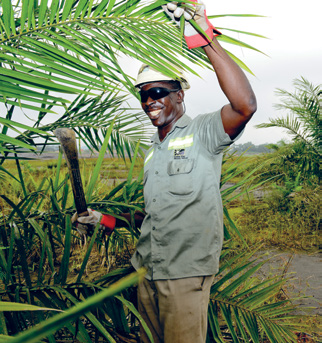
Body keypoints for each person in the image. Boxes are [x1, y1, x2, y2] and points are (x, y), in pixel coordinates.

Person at [72, 1, 256, 342]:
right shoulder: (152, 154)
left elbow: (245, 105)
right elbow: (152, 220)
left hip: (185, 275)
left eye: (157, 92)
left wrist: (204, 35)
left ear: (179, 95)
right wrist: (103, 220)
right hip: (146, 272)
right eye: (143, 96)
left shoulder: (203, 133)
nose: (150, 102)